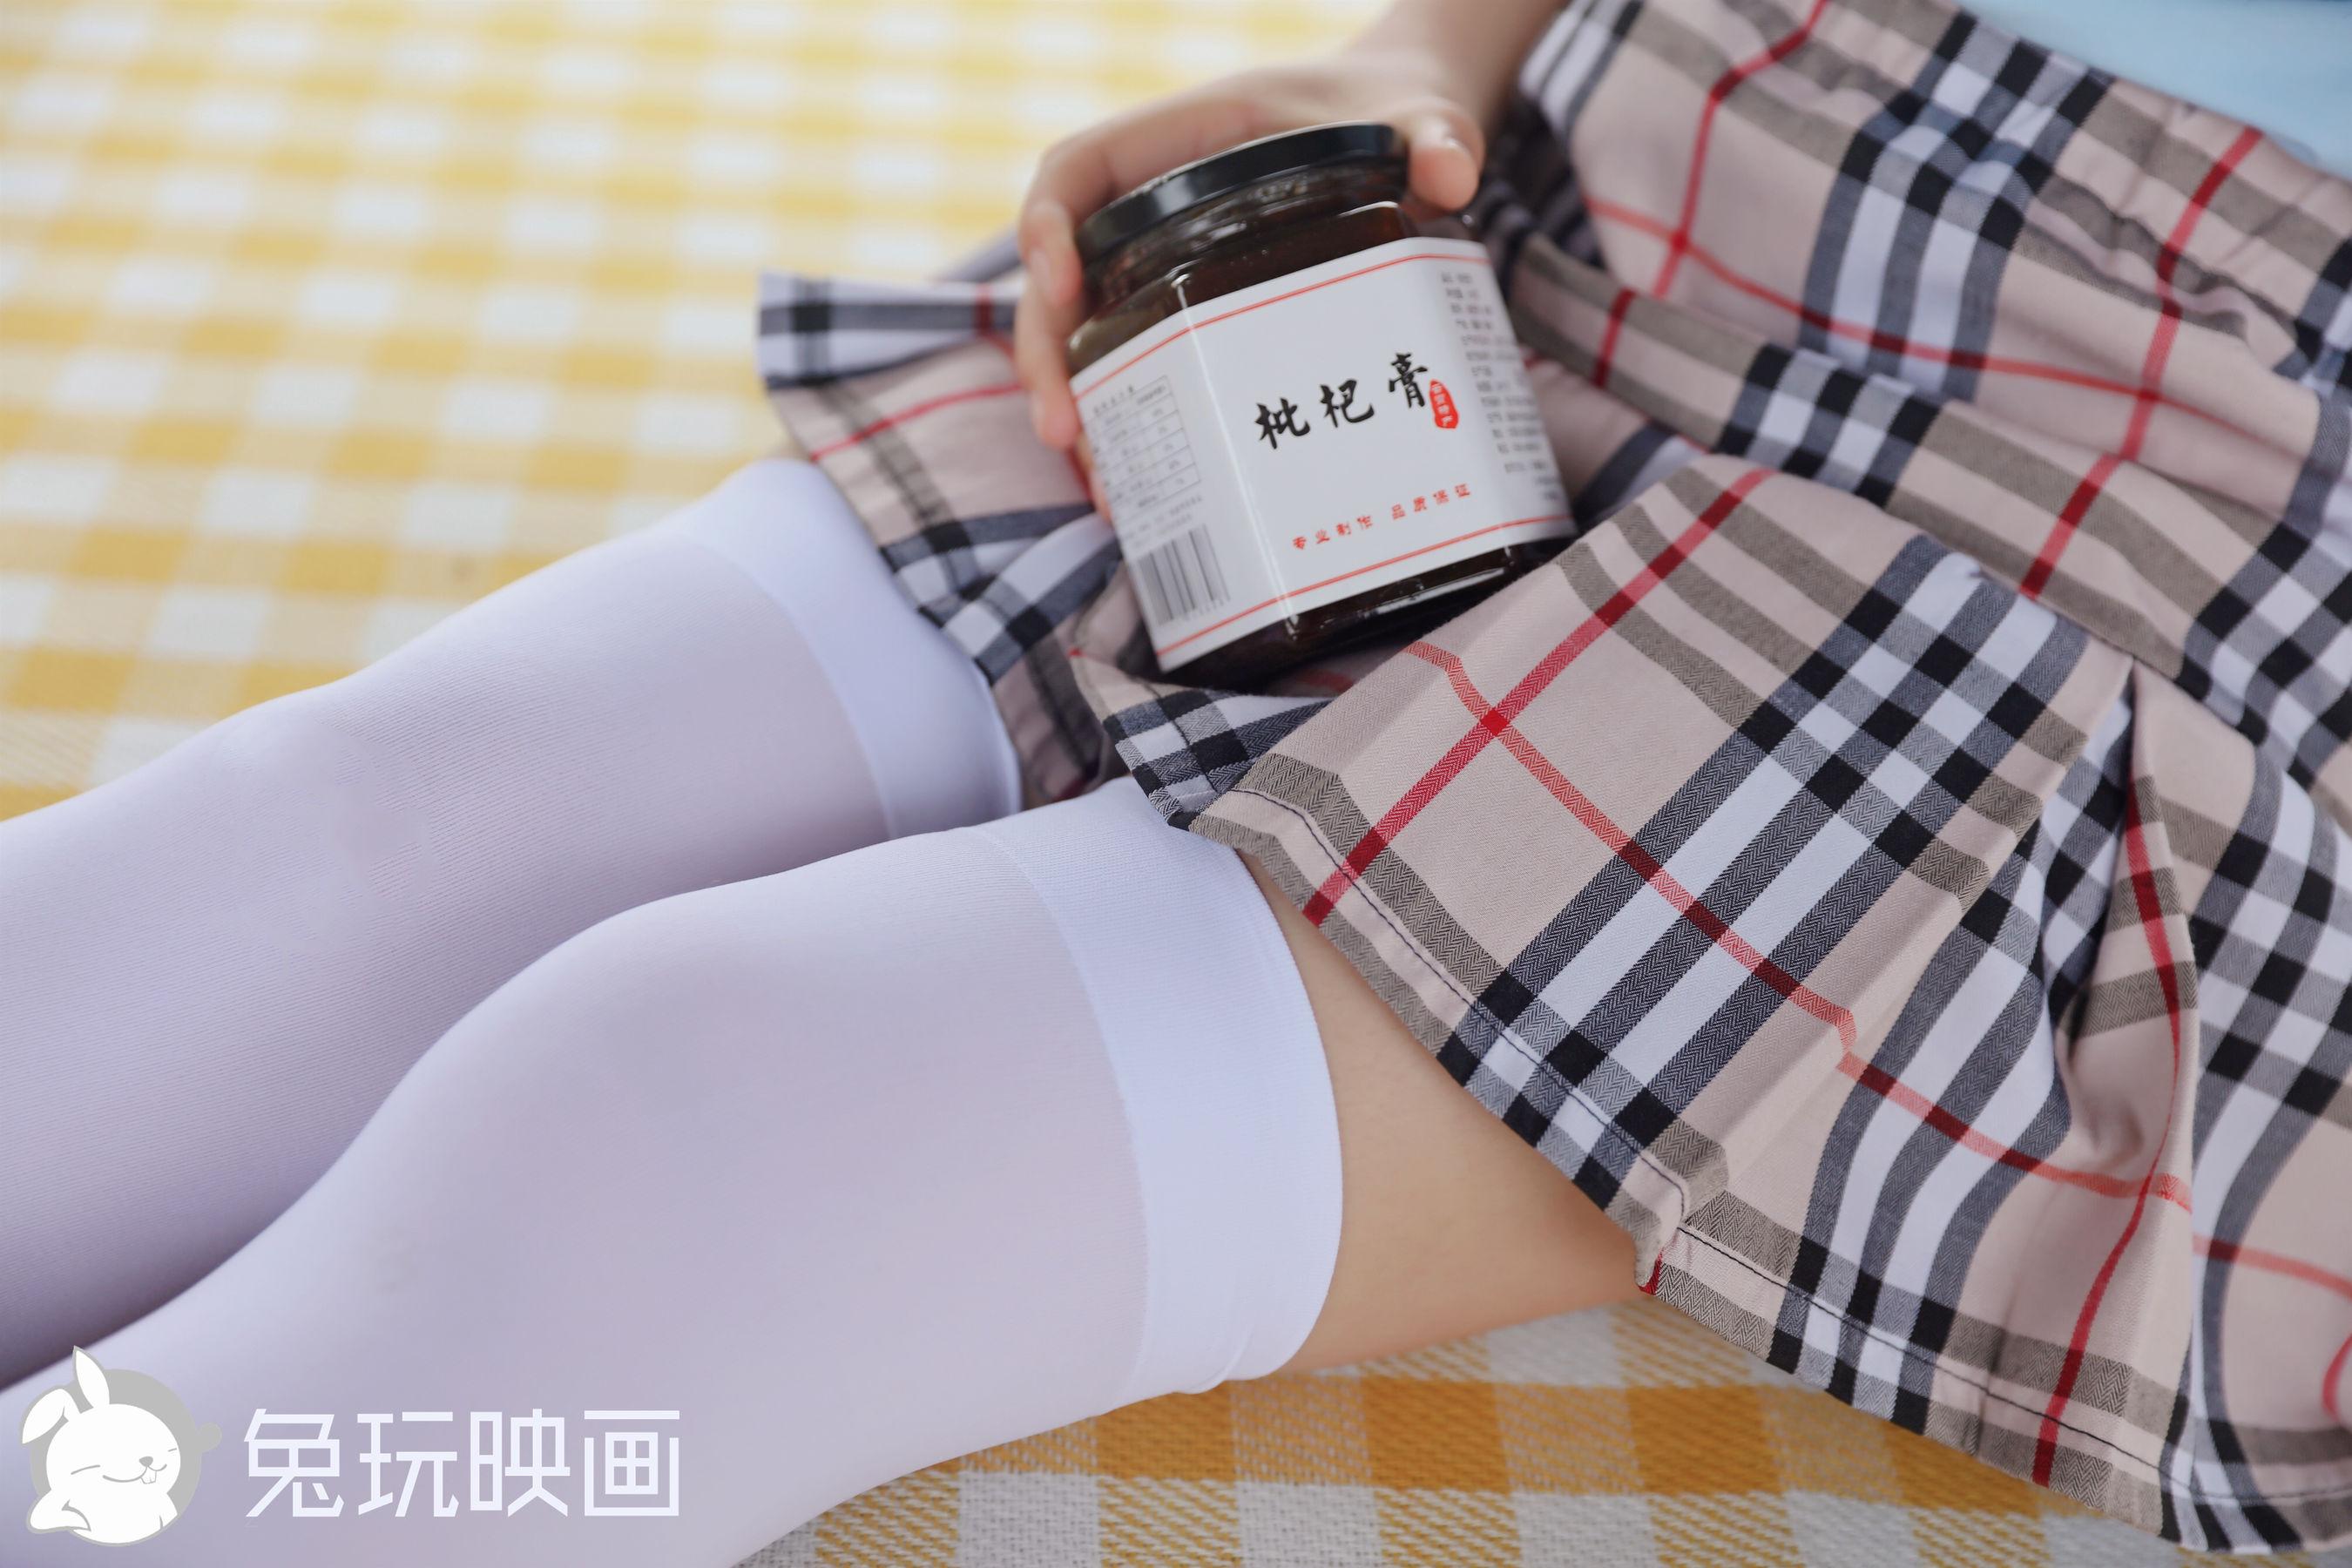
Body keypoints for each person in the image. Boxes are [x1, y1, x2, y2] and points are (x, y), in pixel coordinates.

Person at [3, 0, 2349, 1560]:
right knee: (337, 846)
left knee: (689, 1146)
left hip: (2154, 528)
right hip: (1563, 206)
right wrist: (1406, 61)